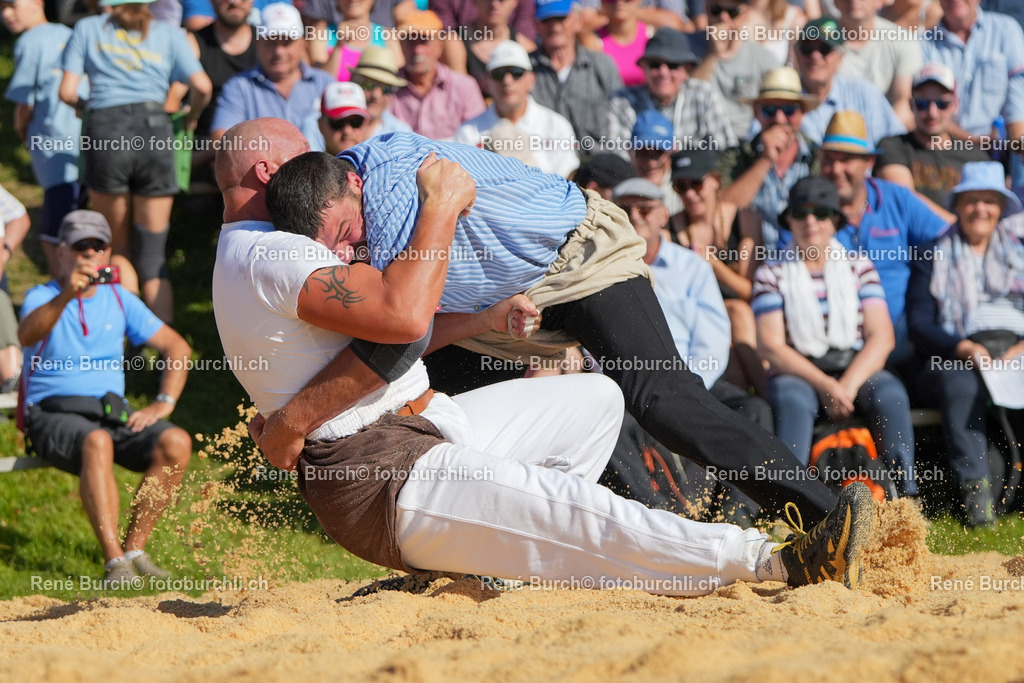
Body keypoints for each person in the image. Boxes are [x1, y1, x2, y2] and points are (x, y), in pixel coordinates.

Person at [213, 118, 875, 594]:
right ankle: (493, 552)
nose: (344, 253)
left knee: (661, 400)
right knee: (584, 406)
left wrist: (292, 421)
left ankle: (820, 517)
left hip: (577, 257)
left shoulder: (380, 200)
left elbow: (404, 329)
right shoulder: (311, 219)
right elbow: (402, 332)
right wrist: (482, 318)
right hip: (498, 306)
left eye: (344, 237)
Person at [18, 210, 193, 586]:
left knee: (175, 441)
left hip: (108, 411)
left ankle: (134, 551)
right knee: (96, 442)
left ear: (108, 253)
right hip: (50, 412)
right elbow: (27, 335)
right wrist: (68, 293)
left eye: (98, 246)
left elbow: (176, 347)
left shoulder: (119, 299)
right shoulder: (42, 295)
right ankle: (115, 564)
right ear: (61, 252)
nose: (89, 254)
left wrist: (164, 401)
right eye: (80, 246)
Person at [752, 176, 918, 496]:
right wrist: (825, 384)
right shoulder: (770, 272)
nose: (811, 221)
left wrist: (847, 385)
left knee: (890, 394)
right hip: (798, 370)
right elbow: (771, 345)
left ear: (834, 221)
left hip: (856, 366)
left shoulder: (859, 265)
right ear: (789, 221)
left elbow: (881, 336)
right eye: (800, 213)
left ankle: (904, 495)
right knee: (792, 399)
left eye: (820, 213)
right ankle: (790, 500)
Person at [60, 0, 213, 325]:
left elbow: (66, 91)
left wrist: (84, 108)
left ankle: (122, 338)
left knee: (116, 249)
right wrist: (191, 118)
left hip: (105, 132)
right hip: (155, 131)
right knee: (153, 254)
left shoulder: (86, 28)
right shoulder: (168, 33)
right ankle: (163, 345)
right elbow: (202, 86)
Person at [908, 161, 1024, 526]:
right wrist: (964, 349)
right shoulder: (932, 254)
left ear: (1000, 209)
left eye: (989, 201)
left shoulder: (1019, 253)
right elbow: (920, 323)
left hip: (1017, 348)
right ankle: (977, 498)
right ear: (957, 205)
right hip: (956, 351)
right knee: (960, 382)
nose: (980, 210)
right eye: (971, 201)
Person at [819, 110, 948, 365]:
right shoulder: (808, 209)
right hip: (834, 340)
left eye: (846, 160)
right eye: (828, 160)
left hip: (901, 335)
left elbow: (946, 239)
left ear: (868, 162)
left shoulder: (895, 198)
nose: (835, 169)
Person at [2, 0, 84, 278]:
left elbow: (25, 102)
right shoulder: (71, 33)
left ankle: (61, 288)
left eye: (12, 5)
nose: (6, 14)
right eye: (1, 7)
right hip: (89, 142)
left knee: (53, 230)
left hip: (54, 143)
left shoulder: (29, 41)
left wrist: (19, 126)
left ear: (38, 2)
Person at [718, 66, 820, 251]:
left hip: (805, 262)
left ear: (802, 113)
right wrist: (765, 160)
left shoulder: (818, 157)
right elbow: (723, 209)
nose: (779, 119)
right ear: (756, 113)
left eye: (789, 110)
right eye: (770, 110)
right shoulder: (735, 157)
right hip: (751, 266)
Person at [874, 63, 988, 224]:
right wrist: (958, 229)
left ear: (955, 105)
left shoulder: (975, 157)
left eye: (942, 104)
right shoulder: (892, 146)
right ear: (911, 105)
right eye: (923, 104)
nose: (932, 113)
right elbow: (905, 202)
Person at [211, 2, 334, 151]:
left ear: (302, 43)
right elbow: (222, 141)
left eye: (287, 43)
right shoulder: (239, 87)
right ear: (258, 43)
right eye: (271, 42)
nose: (279, 52)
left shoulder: (325, 83)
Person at [456, 40, 579, 177]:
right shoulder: (468, 132)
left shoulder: (557, 126)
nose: (507, 81)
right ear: (487, 82)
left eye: (516, 73)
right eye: (499, 74)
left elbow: (567, 179)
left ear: (531, 80)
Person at [607, 27, 737, 156]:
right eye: (655, 65)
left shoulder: (703, 94)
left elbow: (726, 150)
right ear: (644, 68)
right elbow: (617, 158)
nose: (663, 72)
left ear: (687, 70)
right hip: (642, 175)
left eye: (672, 65)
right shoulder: (622, 101)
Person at [791, 17, 905, 147]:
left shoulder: (864, 94)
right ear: (796, 53)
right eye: (807, 48)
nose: (815, 56)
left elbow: (897, 143)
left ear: (840, 57)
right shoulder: (783, 98)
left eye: (825, 49)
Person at [186, 0, 259, 193]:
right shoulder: (194, 42)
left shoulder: (266, 42)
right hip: (205, 145)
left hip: (258, 141)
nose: (234, 2)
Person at [530, 0, 623, 148]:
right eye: (546, 20)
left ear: (578, 20)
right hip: (543, 165)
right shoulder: (524, 70)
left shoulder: (602, 66)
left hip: (596, 163)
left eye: (561, 18)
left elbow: (621, 121)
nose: (554, 26)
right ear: (536, 24)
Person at [389, 10, 487, 140]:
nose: (417, 50)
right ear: (401, 45)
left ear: (440, 46)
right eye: (411, 41)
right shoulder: (387, 89)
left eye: (424, 41)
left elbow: (479, 138)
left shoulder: (464, 87)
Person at [688, 0, 775, 143]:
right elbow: (687, 99)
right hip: (697, 143)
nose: (723, 17)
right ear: (706, 8)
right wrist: (713, 55)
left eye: (732, 12)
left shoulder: (764, 59)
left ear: (746, 13)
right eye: (716, 10)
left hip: (743, 144)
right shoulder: (685, 46)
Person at [834, 0, 922, 130]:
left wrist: (878, 138)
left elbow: (905, 101)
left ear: (879, 2)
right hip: (831, 135)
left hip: (884, 140)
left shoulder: (903, 40)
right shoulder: (819, 41)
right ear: (835, 2)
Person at [317, 0, 402, 80]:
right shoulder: (321, 34)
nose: (353, 0)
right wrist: (339, 45)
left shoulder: (388, 36)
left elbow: (400, 77)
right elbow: (321, 83)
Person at [349, 45, 414, 138]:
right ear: (354, 83)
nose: (376, 95)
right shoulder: (331, 126)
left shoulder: (402, 133)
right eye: (369, 85)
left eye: (386, 88)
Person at [319, 82, 372, 154]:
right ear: (320, 125)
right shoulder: (309, 165)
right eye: (338, 123)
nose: (347, 131)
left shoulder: (384, 164)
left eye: (356, 122)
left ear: (367, 124)